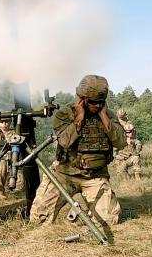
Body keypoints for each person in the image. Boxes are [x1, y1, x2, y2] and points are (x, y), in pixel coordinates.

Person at [30, 75, 126, 226]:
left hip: (95, 176)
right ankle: (77, 213)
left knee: (108, 220)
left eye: (101, 103)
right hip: (64, 174)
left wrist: (104, 118)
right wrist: (79, 118)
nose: (97, 106)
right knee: (39, 218)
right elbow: (64, 141)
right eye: (93, 102)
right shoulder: (65, 114)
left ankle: (80, 216)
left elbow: (121, 142)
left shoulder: (108, 115)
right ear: (82, 98)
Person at [0, 116, 23, 192]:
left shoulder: (14, 134)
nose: (4, 124)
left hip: (12, 160)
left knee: (19, 187)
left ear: (10, 122)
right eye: (2, 122)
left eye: (6, 122)